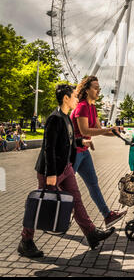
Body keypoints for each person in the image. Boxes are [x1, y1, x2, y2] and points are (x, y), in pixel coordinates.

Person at [18, 84, 115, 259]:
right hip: (51, 170)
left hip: (66, 168)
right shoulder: (54, 118)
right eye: (75, 96)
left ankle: (91, 234)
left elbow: (67, 142)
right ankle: (26, 241)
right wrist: (51, 174)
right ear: (66, 98)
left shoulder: (66, 118)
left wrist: (80, 143)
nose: (77, 99)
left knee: (76, 200)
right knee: (39, 203)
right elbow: (49, 148)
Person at [70, 76, 127, 229]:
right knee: (67, 187)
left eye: (99, 88)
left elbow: (98, 130)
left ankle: (107, 216)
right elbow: (85, 130)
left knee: (93, 184)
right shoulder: (81, 106)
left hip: (84, 152)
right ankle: (57, 213)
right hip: (73, 152)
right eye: (95, 87)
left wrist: (116, 133)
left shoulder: (92, 107)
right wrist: (108, 129)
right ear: (87, 89)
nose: (98, 90)